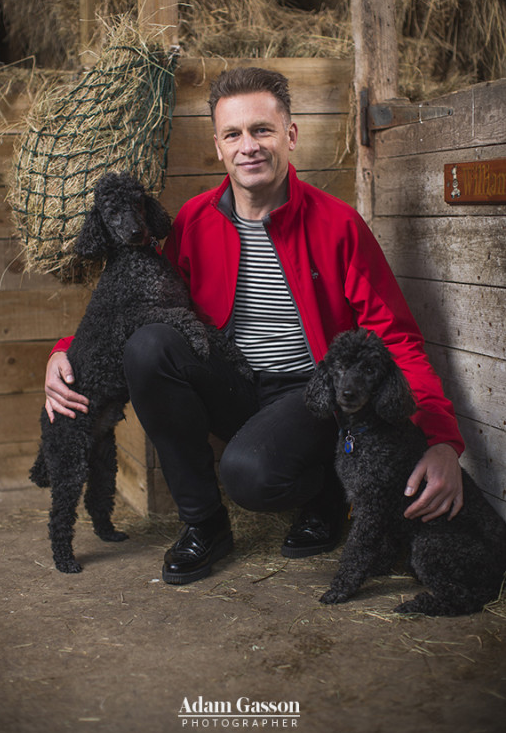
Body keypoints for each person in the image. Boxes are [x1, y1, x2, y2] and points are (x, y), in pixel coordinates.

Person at [45, 67, 465, 585]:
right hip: (236, 380)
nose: (250, 146)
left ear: (290, 135)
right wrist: (63, 352)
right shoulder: (195, 222)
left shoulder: (339, 226)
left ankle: (329, 493)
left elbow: (394, 336)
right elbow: (134, 305)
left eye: (262, 130)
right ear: (218, 147)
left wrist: (442, 440)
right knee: (148, 346)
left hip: (313, 393)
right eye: (233, 134)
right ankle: (204, 525)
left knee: (250, 477)